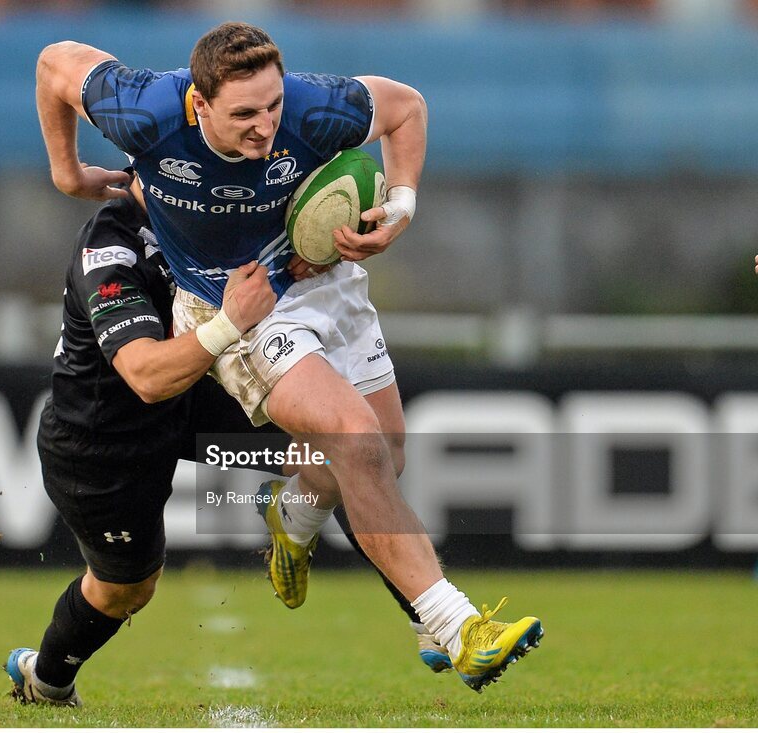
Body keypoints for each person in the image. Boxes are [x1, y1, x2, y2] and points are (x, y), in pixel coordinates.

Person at [34, 22, 543, 692]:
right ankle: (457, 625)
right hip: (237, 308)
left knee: (386, 454)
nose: (266, 127)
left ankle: (293, 514)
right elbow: (54, 64)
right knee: (353, 440)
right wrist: (67, 171)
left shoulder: (314, 107)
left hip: (324, 279)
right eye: (244, 113)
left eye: (272, 106)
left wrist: (402, 207)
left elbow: (407, 108)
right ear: (198, 106)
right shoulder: (144, 110)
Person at [4, 178, 450, 706]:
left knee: (349, 444)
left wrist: (330, 244)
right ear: (138, 171)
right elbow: (146, 376)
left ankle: (434, 615)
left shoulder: (230, 204)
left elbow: (393, 115)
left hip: (199, 398)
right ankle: (47, 677)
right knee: (126, 587)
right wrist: (233, 318)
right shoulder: (109, 249)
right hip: (106, 432)